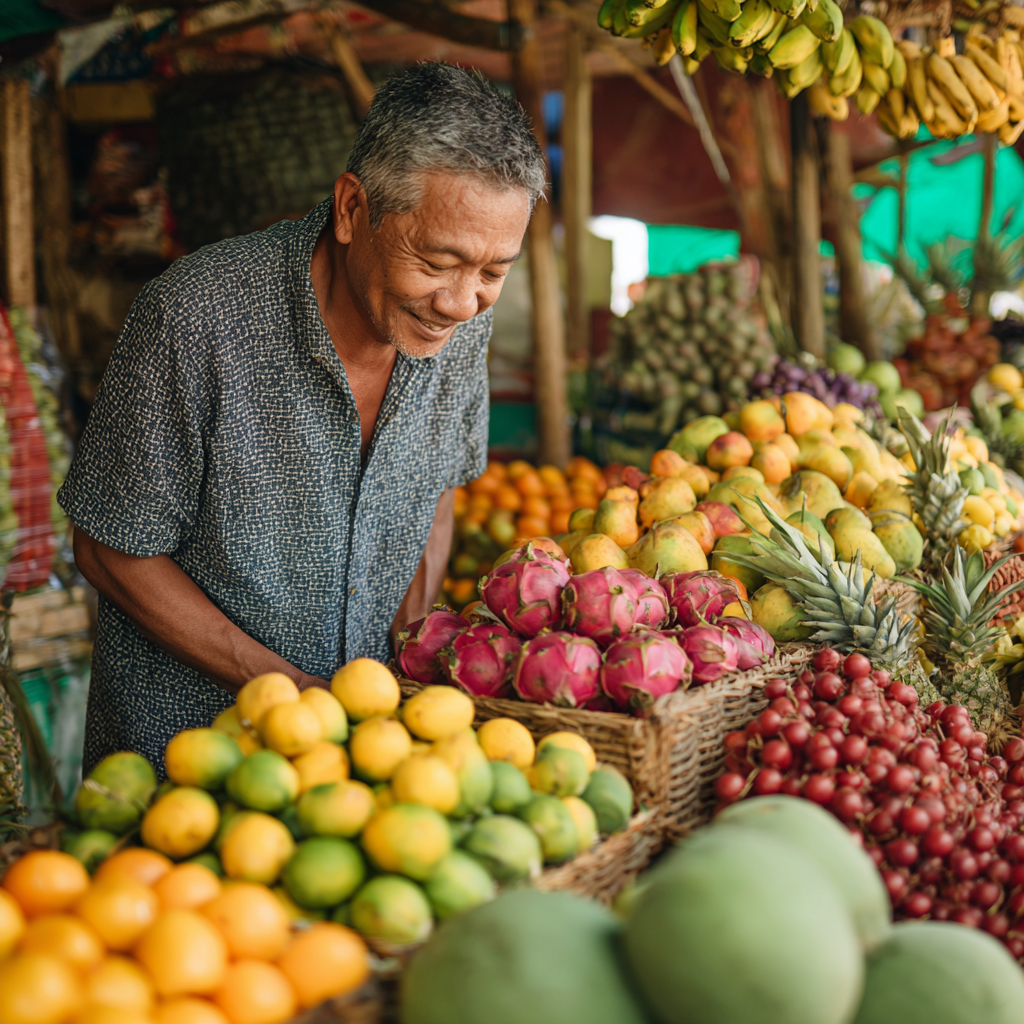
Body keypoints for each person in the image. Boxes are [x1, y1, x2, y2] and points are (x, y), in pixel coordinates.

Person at [58, 62, 547, 772]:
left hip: (364, 762)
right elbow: (109, 548)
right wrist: (294, 694)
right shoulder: (195, 317)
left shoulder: (460, 323)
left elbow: (436, 485)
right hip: (187, 768)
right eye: (437, 261)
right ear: (352, 210)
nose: (460, 301)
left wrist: (406, 659)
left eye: (494, 272)